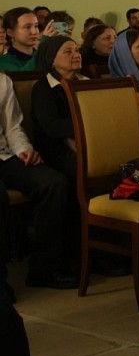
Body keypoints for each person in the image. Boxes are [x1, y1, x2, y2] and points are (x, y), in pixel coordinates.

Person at [0, 72, 76, 292]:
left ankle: (45, 268)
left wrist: (24, 150)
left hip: (4, 155)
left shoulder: (3, 81)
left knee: (53, 183)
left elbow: (12, 127)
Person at [30, 36, 85, 183]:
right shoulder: (43, 88)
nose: (76, 55)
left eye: (77, 50)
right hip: (56, 149)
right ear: (52, 60)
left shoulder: (86, 83)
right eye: (68, 51)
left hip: (85, 142)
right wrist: (88, 125)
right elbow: (52, 126)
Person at [0, 7, 40, 72]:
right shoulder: (3, 62)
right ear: (10, 33)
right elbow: (25, 75)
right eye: (27, 27)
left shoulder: (43, 57)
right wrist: (43, 47)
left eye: (36, 26)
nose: (34, 32)